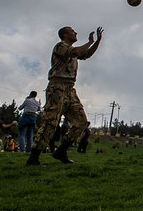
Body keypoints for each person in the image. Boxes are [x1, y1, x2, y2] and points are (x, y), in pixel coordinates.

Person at [27, 26, 103, 165]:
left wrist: (97, 41)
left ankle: (61, 151)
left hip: (69, 89)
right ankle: (34, 157)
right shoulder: (60, 46)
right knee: (50, 123)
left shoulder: (73, 52)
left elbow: (86, 54)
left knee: (81, 122)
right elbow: (77, 51)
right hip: (57, 88)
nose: (75, 33)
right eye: (72, 31)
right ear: (65, 35)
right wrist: (90, 42)